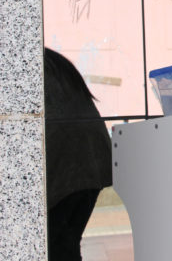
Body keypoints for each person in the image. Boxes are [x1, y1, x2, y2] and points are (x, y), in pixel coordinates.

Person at [44, 47, 112, 260]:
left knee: (54, 245)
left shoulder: (25, 61)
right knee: (65, 242)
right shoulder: (48, 60)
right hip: (94, 156)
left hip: (64, 159)